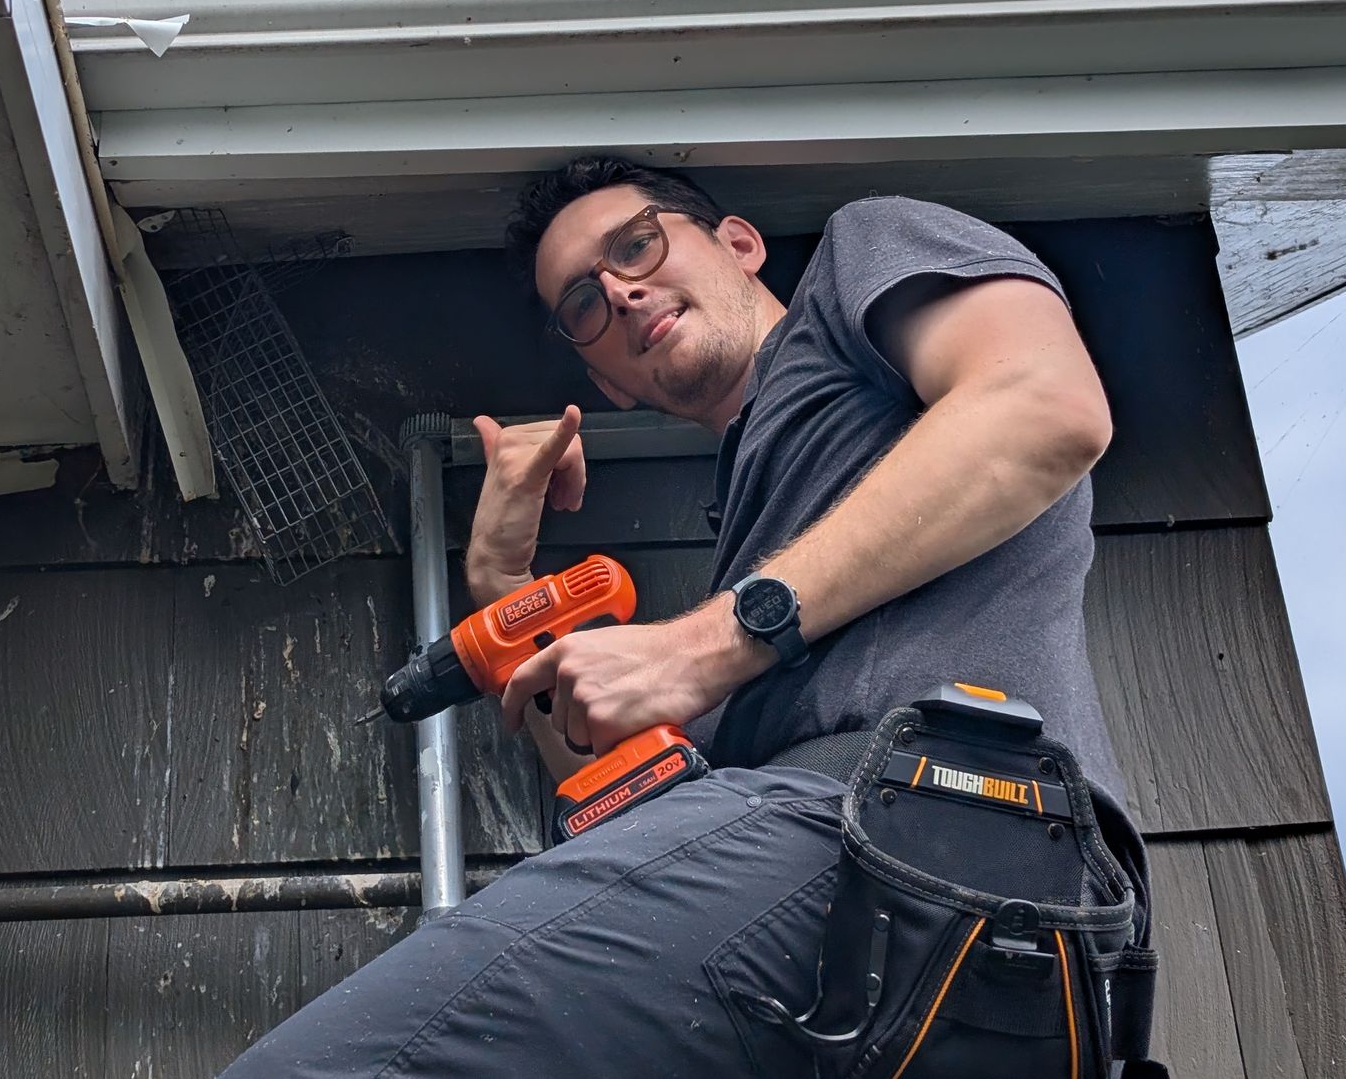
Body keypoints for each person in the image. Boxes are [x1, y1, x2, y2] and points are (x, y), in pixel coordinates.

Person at [222, 155, 1127, 1077]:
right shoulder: (755, 540)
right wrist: (502, 582)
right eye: (581, 303)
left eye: (637, 245)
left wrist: (710, 643)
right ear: (608, 382)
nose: (616, 290)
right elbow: (633, 822)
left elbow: (1043, 408)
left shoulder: (869, 250)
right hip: (892, 978)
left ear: (737, 243)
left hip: (942, 828)